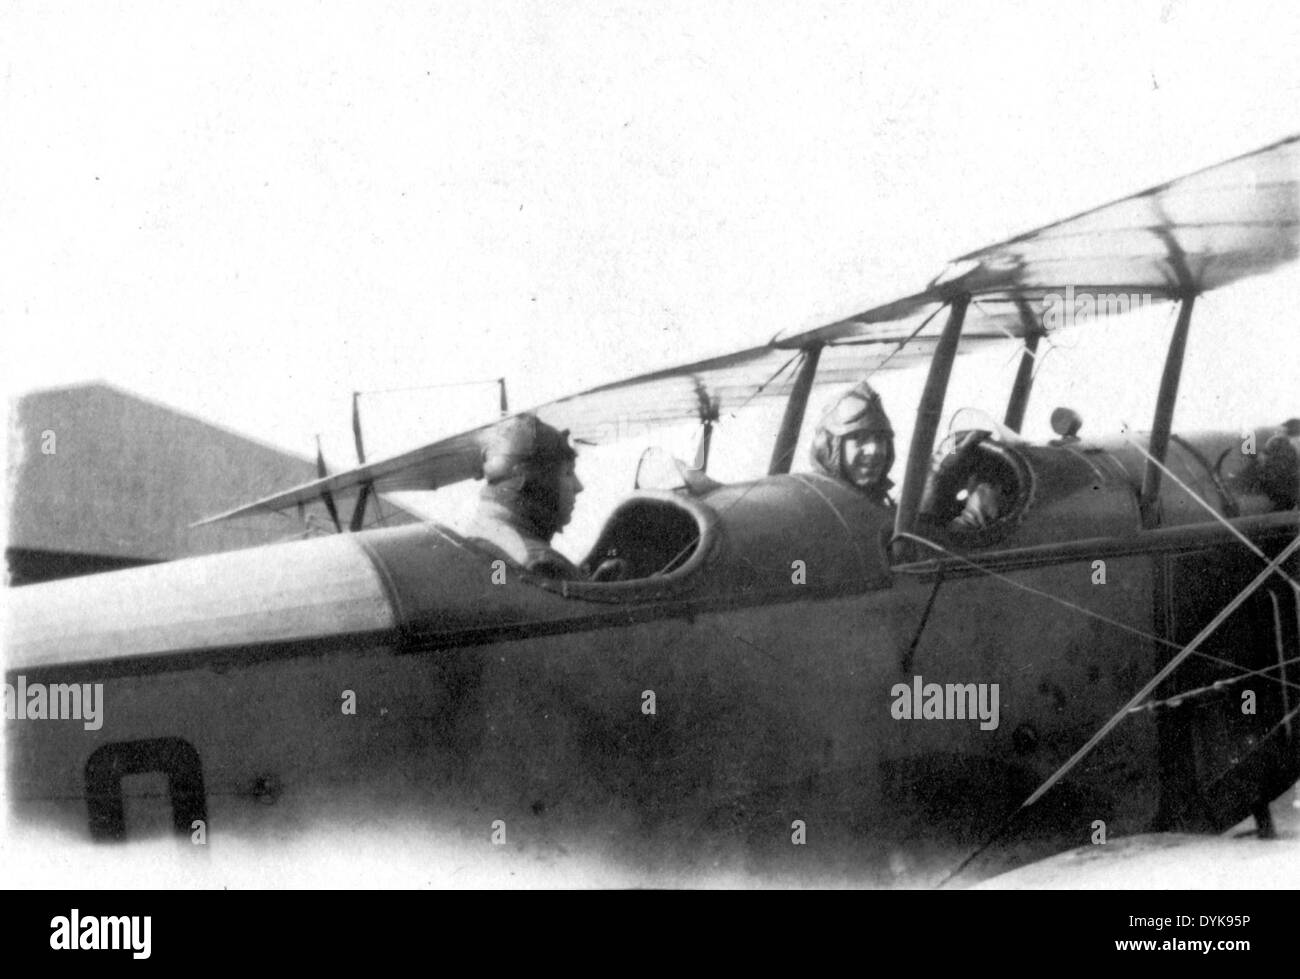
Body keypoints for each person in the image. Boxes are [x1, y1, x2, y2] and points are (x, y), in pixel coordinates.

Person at [465, 413, 585, 579]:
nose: (579, 487)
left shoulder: (482, 533)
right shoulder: (542, 564)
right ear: (535, 479)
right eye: (567, 473)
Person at [809, 381, 897, 508]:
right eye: (859, 438)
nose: (874, 450)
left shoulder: (884, 509)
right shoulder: (810, 507)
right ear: (831, 447)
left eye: (880, 439)